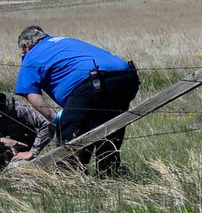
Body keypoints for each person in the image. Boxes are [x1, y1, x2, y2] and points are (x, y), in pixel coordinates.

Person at [13, 27, 139, 174]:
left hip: (93, 84)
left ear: (26, 46)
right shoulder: (65, 41)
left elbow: (31, 94)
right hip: (127, 78)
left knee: (68, 135)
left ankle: (71, 180)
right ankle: (109, 173)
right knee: (111, 128)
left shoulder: (31, 55)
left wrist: (57, 120)